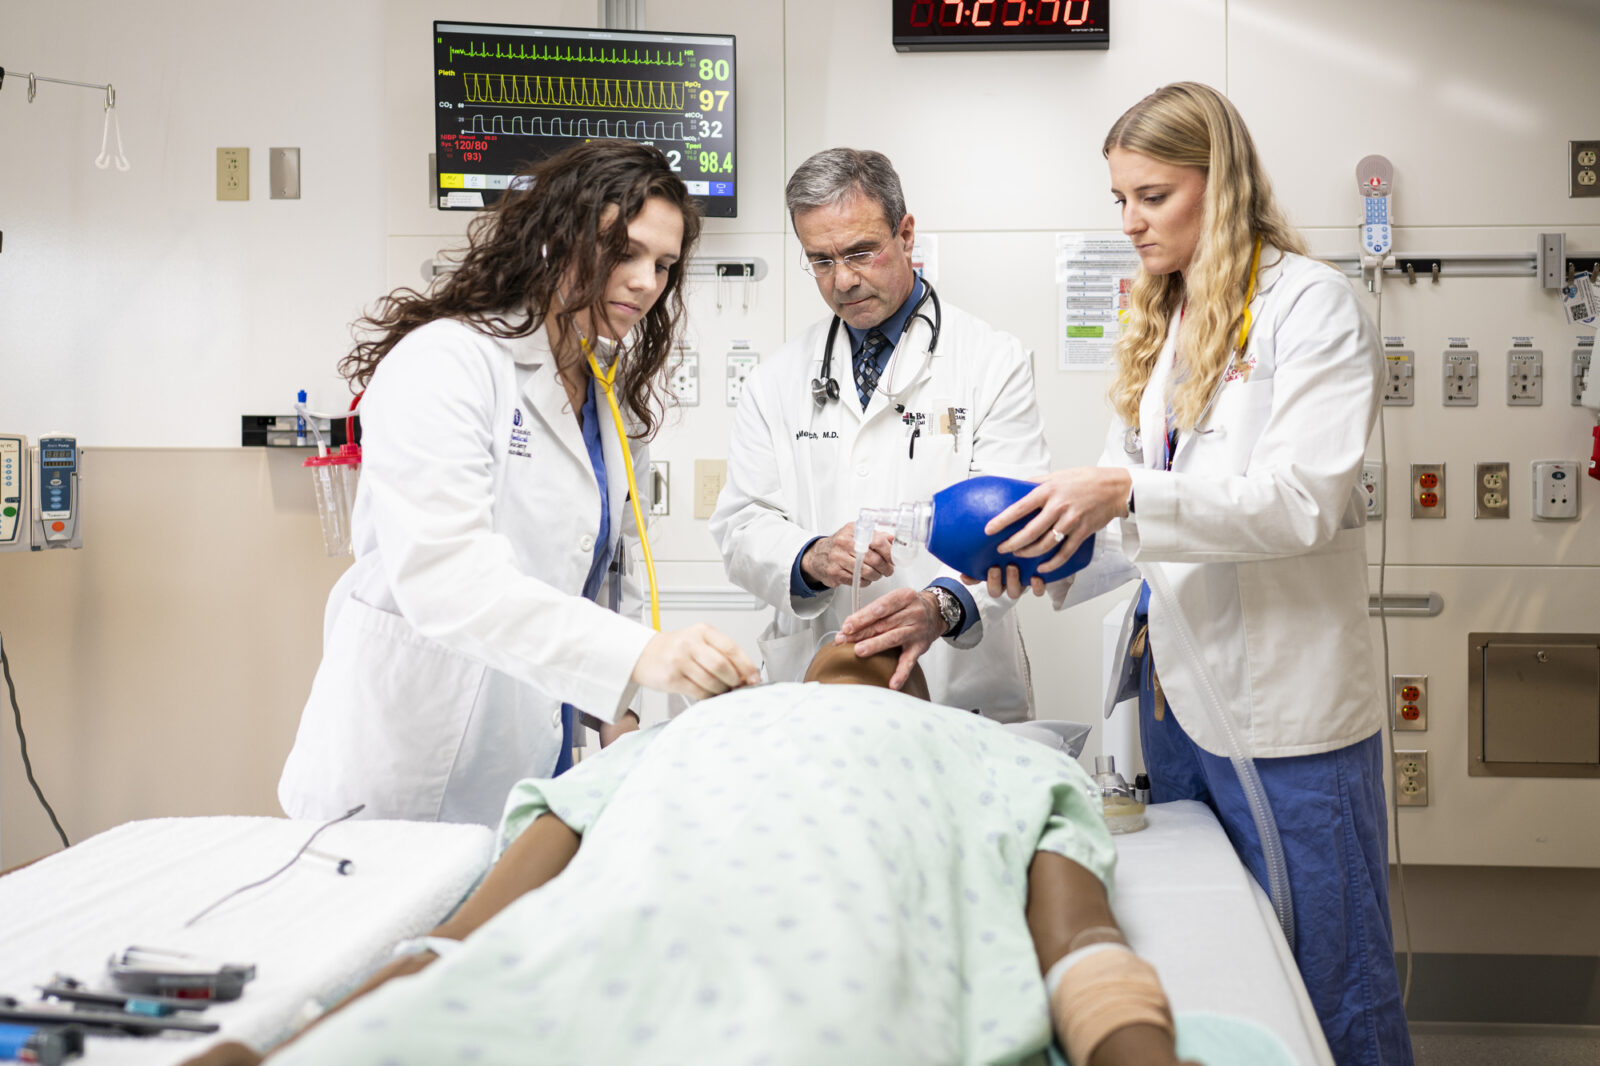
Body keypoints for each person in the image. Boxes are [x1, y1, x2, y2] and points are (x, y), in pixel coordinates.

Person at [976, 83, 1412, 1066]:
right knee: (1220, 962)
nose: (1129, 222)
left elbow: (1298, 501)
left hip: (1284, 715)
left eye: (1152, 196)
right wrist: (1041, 552)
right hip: (1175, 702)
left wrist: (1122, 491)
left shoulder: (1312, 307)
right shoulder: (1167, 321)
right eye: (1118, 199)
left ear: (1219, 189)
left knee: (1331, 978)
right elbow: (1134, 522)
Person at [187, 644, 1200, 1066]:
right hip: (608, 957)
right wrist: (284, 1041)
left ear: (916, 697)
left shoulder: (988, 749)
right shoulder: (669, 741)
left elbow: (1086, 963)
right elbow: (461, 942)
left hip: (835, 972)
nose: (850, 641)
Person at [278, 141, 759, 830]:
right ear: (556, 237)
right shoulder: (447, 363)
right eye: (624, 251)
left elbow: (605, 575)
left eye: (663, 265)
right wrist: (646, 656)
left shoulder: (609, 396)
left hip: (532, 756)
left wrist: (619, 715)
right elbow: (449, 579)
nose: (647, 282)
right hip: (403, 773)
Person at [709, 148, 1050, 717]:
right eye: (820, 261)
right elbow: (742, 524)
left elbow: (1017, 519)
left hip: (955, 687)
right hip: (821, 687)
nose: (842, 280)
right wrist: (811, 558)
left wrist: (941, 606)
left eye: (860, 252)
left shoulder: (992, 362)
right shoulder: (776, 381)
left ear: (906, 233)